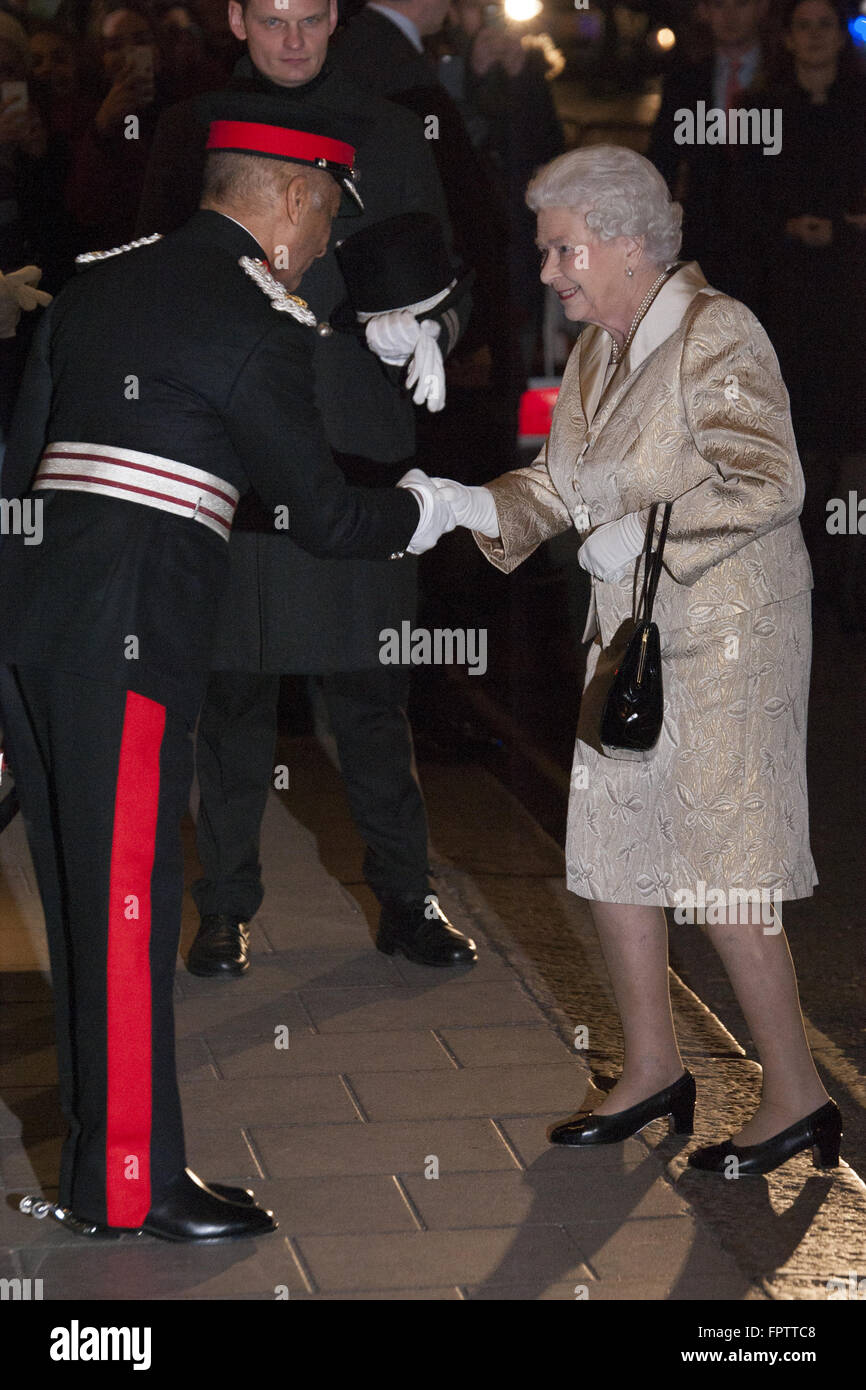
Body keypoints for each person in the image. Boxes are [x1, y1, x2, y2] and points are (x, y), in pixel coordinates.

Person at [0, 97, 455, 1241]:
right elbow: (320, 517)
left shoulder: (103, 281)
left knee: (76, 903)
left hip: (38, 634)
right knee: (129, 915)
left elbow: (16, 477)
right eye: (321, 218)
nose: (314, 248)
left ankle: (96, 1170)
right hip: (135, 642)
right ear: (295, 198)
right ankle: (130, 1184)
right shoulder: (259, 322)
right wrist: (432, 507)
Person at [432, 145, 843, 1176]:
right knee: (615, 853)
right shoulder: (594, 350)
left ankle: (794, 1093)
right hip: (633, 638)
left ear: (623, 242)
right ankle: (652, 1066)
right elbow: (562, 487)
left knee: (724, 873)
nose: (548, 271)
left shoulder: (717, 333)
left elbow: (768, 481)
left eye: (562, 249)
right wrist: (469, 505)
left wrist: (649, 532)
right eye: (546, 251)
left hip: (728, 634)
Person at [138, 0, 479, 976]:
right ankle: (225, 909)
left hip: (352, 438)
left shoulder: (389, 123)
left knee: (369, 693)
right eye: (273, 18)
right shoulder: (187, 130)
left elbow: (447, 276)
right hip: (233, 441)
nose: (294, 40)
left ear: (336, 16)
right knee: (231, 689)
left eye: (312, 17)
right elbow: (147, 287)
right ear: (237, 18)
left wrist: (430, 332)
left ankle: (406, 899)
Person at [742, 0, 866, 624]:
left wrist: (845, 234)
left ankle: (852, 589)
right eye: (804, 26)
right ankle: (805, 585)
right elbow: (741, 207)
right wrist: (787, 228)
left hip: (854, 304)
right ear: (787, 37)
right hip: (791, 305)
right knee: (802, 446)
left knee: (854, 448)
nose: (815, 38)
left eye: (826, 26)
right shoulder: (764, 112)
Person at [646, 0, 768, 305]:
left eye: (739, 5)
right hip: (705, 240)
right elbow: (663, 158)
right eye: (718, 5)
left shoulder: (782, 76)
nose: (729, 16)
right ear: (704, 11)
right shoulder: (686, 78)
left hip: (769, 243)